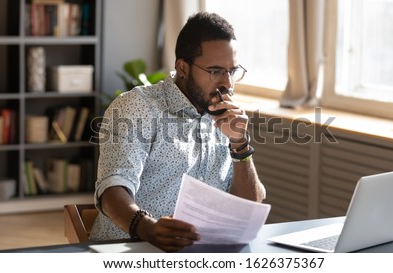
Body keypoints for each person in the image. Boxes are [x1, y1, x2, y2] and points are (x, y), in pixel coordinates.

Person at [90, 11, 266, 252]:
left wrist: (240, 145)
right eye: (215, 71)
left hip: (199, 255)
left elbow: (248, 209)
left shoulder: (224, 116)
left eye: (232, 71)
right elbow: (112, 189)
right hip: (127, 251)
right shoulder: (137, 106)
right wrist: (148, 228)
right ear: (183, 67)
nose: (228, 84)